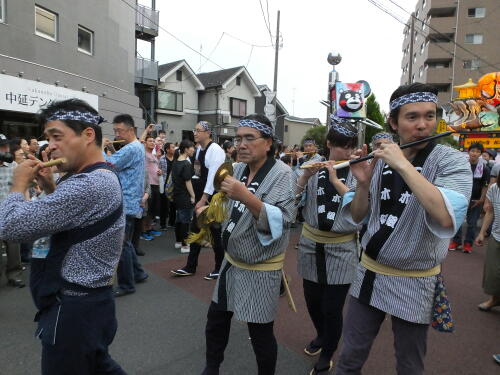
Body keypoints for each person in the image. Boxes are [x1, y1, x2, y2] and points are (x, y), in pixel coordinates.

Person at [335, 83, 472, 375]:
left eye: (429, 115)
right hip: (369, 272)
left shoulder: (452, 160)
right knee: (349, 357)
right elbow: (356, 216)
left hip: (415, 280)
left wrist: (402, 165)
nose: (423, 125)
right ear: (393, 122)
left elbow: (447, 219)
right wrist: (361, 182)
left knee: (410, 365)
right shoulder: (377, 161)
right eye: (412, 117)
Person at [0, 99, 127, 374]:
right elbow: (73, 222)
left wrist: (18, 183)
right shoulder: (95, 177)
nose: (50, 146)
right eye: (47, 139)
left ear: (88, 135)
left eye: (57, 136)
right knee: (98, 366)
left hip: (74, 311)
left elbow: (10, 226)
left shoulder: (89, 183)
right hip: (88, 306)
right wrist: (49, 188)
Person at [200, 114, 295, 375]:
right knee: (216, 321)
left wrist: (246, 196)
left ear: (268, 143)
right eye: (238, 138)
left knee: (260, 333)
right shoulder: (238, 169)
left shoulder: (282, 174)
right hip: (232, 263)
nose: (241, 144)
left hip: (260, 268)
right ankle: (211, 368)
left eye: (249, 138)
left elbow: (285, 219)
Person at [295, 117, 360, 375]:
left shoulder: (358, 168)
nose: (346, 151)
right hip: (311, 243)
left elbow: (360, 209)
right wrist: (303, 177)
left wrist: (336, 180)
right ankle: (322, 335)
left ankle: (329, 352)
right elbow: (292, 201)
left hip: (342, 247)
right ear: (329, 143)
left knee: (332, 307)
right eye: (342, 145)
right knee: (312, 301)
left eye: (351, 146)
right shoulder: (311, 165)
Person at [171, 121, 225, 280]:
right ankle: (190, 266)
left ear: (208, 133)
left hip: (212, 199)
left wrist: (202, 199)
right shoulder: (199, 150)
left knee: (215, 233)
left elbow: (213, 178)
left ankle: (219, 268)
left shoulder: (215, 150)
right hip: (202, 197)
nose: (195, 133)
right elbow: (197, 175)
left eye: (198, 130)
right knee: (195, 232)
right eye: (194, 130)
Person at [105, 114, 149, 297]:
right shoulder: (137, 146)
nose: (116, 134)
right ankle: (138, 273)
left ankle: (127, 285)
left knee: (121, 246)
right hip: (131, 202)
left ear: (131, 130)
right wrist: (109, 148)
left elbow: (108, 163)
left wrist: (99, 148)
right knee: (126, 244)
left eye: (119, 130)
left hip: (126, 202)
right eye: (115, 130)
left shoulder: (131, 148)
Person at [449, 142, 489, 253]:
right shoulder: (461, 165)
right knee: (457, 221)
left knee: (472, 224)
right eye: (473, 151)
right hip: (460, 198)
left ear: (480, 154)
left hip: (475, 200)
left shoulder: (484, 169)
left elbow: (485, 186)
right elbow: (454, 180)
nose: (475, 153)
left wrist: (481, 200)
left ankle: (467, 244)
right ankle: (456, 242)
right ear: (468, 151)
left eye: (478, 152)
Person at [0, 134, 25, 288]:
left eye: (6, 146)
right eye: (2, 146)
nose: (5, 149)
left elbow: (23, 186)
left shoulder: (14, 166)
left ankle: (14, 275)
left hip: (10, 213)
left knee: (14, 248)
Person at [474, 180, 500, 312]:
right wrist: (482, 233)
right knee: (493, 271)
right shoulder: (494, 188)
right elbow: (490, 212)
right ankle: (495, 299)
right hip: (497, 235)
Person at [172, 139, 196, 253]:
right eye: (192, 147)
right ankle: (185, 245)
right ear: (186, 149)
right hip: (184, 196)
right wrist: (193, 196)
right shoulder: (186, 164)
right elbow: (188, 182)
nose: (194, 150)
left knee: (179, 219)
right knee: (185, 220)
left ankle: (178, 242)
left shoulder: (176, 161)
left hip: (176, 195)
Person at [143, 135, 162, 239]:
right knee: (146, 209)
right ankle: (143, 231)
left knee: (152, 209)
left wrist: (160, 171)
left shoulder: (154, 156)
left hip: (156, 184)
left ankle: (149, 228)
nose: (152, 143)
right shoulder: (143, 154)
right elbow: (139, 144)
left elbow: (156, 168)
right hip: (148, 185)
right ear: (145, 143)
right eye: (150, 141)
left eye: (153, 141)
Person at [159, 142, 176, 230]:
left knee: (173, 205)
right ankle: (162, 224)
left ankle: (171, 222)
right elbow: (159, 169)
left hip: (174, 184)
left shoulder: (176, 158)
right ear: (167, 149)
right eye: (172, 147)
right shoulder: (162, 159)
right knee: (164, 205)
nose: (174, 148)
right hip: (165, 183)